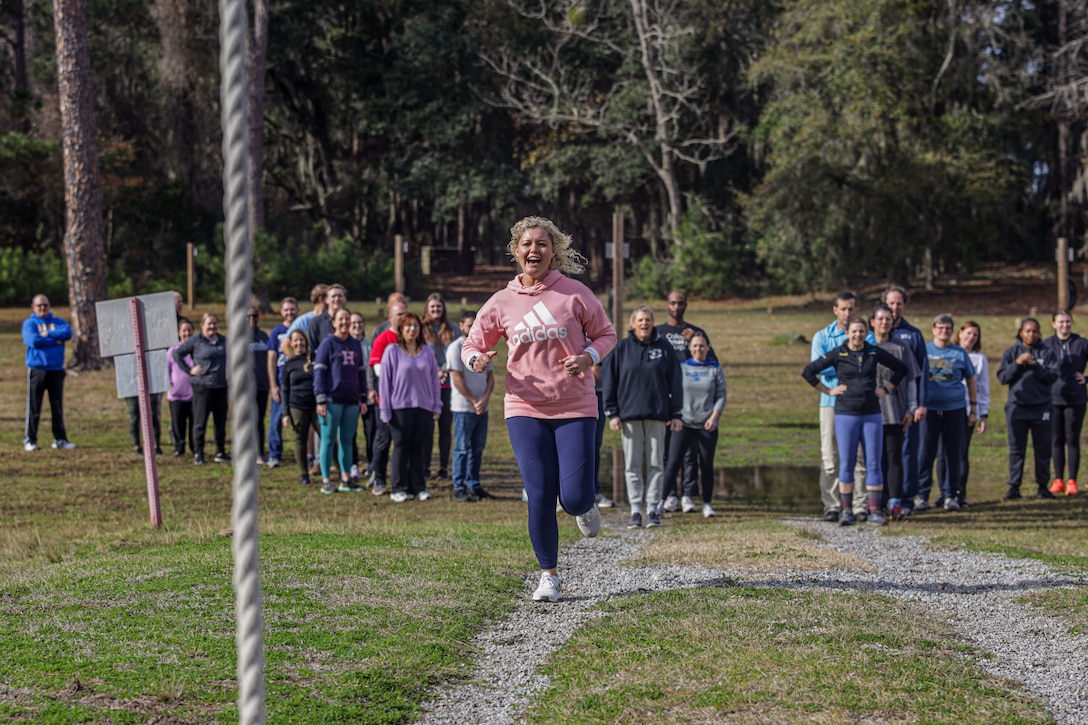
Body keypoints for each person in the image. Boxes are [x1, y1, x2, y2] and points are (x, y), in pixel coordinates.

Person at [462, 216, 616, 603]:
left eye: (543, 244)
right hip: (524, 408)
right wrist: (477, 360)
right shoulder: (501, 301)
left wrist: (587, 357)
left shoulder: (574, 293)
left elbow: (607, 334)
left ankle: (584, 506)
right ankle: (549, 575)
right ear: (516, 251)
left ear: (554, 251)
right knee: (540, 493)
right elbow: (471, 345)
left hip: (575, 406)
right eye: (527, 244)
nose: (535, 250)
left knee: (575, 496)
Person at [803, 318, 909, 526]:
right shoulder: (838, 353)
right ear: (848, 333)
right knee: (847, 463)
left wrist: (886, 388)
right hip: (845, 413)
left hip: (871, 413)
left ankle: (875, 511)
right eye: (854, 331)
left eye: (861, 331)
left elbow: (901, 368)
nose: (857, 335)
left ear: (866, 332)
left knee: (872, 462)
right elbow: (809, 371)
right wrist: (829, 390)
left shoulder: (873, 352)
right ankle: (847, 511)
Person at [602, 305, 682, 530]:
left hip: (658, 416)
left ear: (653, 323)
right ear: (632, 324)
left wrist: (676, 413)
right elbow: (609, 382)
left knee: (656, 463)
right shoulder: (621, 349)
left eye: (648, 319)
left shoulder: (664, 348)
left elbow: (675, 382)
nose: (644, 323)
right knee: (632, 464)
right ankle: (636, 509)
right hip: (628, 416)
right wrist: (612, 413)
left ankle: (653, 509)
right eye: (640, 320)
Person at [656, 289, 717, 513]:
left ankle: (688, 495)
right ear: (666, 305)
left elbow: (712, 362)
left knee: (691, 454)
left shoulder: (695, 332)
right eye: (672, 303)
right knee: (669, 453)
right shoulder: (659, 332)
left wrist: (694, 340)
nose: (676, 307)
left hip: (692, 403)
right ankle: (669, 494)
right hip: (667, 401)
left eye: (680, 303)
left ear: (686, 305)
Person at [809, 292, 865, 521]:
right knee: (830, 455)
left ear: (856, 309)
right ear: (835, 310)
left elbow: (868, 365)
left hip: (859, 404)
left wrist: (838, 364)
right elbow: (818, 368)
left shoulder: (864, 335)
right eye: (843, 309)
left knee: (859, 457)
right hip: (831, 402)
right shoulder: (822, 336)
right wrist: (847, 367)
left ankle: (860, 505)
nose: (847, 313)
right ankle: (832, 506)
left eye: (851, 309)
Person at [660, 332, 726, 518]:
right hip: (684, 424)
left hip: (706, 425)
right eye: (695, 346)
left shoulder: (715, 369)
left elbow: (721, 394)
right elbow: (671, 392)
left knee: (705, 464)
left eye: (702, 346)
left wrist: (714, 417)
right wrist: (674, 416)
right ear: (690, 348)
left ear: (708, 348)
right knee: (672, 463)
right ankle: (662, 501)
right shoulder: (682, 368)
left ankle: (707, 503)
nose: (698, 349)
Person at [916, 314, 977, 511]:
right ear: (934, 329)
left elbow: (971, 379)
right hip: (929, 410)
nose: (944, 332)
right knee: (926, 453)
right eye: (940, 328)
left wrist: (973, 407)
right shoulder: (924, 350)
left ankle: (950, 494)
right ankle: (922, 494)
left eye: (948, 328)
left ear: (952, 331)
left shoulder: (959, 353)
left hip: (954, 409)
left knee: (953, 453)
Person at [380, 312, 443, 502]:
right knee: (401, 447)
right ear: (401, 329)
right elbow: (384, 382)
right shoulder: (392, 351)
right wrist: (385, 409)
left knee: (418, 449)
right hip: (399, 408)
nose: (412, 329)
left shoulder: (427, 352)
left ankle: (418, 487)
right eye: (408, 326)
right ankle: (398, 487)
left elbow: (434, 381)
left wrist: (436, 406)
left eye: (415, 326)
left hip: (423, 407)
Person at [998, 318, 1059, 501]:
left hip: (1042, 407)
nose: (1031, 335)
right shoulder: (1012, 352)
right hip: (1017, 408)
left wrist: (1035, 365)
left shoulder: (1047, 352)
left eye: (1034, 331)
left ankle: (1042, 486)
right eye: (1027, 331)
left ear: (1039, 333)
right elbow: (1002, 377)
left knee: (1043, 448)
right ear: (1021, 333)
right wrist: (1017, 363)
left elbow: (1053, 376)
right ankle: (1014, 486)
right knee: (1017, 449)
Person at [881, 286, 928, 515]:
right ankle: (881, 499)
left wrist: (919, 403)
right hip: (881, 408)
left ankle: (906, 499)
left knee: (907, 452)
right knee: (882, 453)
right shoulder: (873, 335)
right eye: (891, 303)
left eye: (899, 303)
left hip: (906, 406)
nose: (895, 308)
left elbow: (920, 374)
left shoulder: (913, 335)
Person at [870, 303, 919, 520]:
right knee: (874, 459)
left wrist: (911, 408)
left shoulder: (901, 348)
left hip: (895, 411)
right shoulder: (864, 345)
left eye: (888, 319)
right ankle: (874, 504)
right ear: (872, 322)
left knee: (893, 457)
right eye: (880, 319)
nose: (884, 322)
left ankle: (895, 504)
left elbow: (911, 380)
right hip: (869, 413)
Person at [314, 307, 368, 494]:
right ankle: (326, 480)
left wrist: (362, 397)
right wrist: (320, 399)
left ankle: (346, 478)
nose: (345, 323)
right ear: (334, 322)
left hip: (352, 399)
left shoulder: (355, 344)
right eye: (341, 319)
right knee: (328, 440)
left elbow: (361, 373)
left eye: (348, 319)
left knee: (347, 440)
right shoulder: (327, 344)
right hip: (331, 400)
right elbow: (319, 372)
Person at [937, 321, 989, 505]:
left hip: (967, 412)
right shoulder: (950, 354)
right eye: (968, 333)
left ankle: (960, 491)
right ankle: (944, 492)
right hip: (946, 408)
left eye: (975, 335)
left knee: (960, 453)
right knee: (942, 453)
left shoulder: (980, 359)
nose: (971, 337)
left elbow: (983, 388)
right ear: (959, 333)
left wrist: (981, 413)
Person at [447, 310, 495, 502]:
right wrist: (473, 400)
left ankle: (474, 485)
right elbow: (456, 378)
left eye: (475, 324)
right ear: (461, 326)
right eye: (469, 324)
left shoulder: (484, 347)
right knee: (461, 448)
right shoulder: (455, 348)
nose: (472, 328)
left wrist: (484, 399)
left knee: (477, 448)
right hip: (463, 408)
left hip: (482, 407)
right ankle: (459, 487)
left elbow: (491, 378)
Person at [172, 312, 230, 464]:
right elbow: (178, 354)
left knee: (220, 421)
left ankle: (220, 451)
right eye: (209, 324)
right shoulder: (196, 340)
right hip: (202, 386)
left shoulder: (223, 341)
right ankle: (198, 452)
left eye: (214, 324)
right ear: (202, 325)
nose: (212, 327)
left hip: (221, 386)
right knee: (200, 421)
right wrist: (189, 370)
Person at [22, 294, 75, 451]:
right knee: (34, 406)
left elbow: (67, 333)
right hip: (37, 369)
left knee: (57, 406)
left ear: (49, 306)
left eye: (45, 305)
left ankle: (60, 439)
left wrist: (49, 334)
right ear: (33, 307)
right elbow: (34, 341)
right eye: (39, 306)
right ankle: (30, 440)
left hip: (56, 369)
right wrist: (56, 341)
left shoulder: (58, 322)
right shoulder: (30, 323)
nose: (42, 308)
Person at [1044, 309, 1088, 496]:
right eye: (1061, 322)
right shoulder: (1046, 345)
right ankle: (1058, 479)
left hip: (1075, 398)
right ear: (1054, 324)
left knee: (1072, 438)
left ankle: (1072, 480)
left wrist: (1086, 378)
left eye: (1068, 322)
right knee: (1055, 439)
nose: (1065, 325)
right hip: (1052, 398)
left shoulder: (1081, 343)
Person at [367, 301, 409, 495]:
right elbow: (378, 369)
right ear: (390, 317)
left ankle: (404, 480)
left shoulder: (412, 338)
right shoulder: (384, 338)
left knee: (404, 443)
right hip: (388, 400)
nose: (403, 317)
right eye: (399, 314)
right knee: (383, 441)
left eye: (405, 314)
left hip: (409, 401)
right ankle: (379, 479)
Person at [422, 292, 460, 480]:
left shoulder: (452, 329)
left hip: (448, 386)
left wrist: (445, 369)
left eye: (439, 306)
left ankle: (444, 467)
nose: (436, 310)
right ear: (427, 309)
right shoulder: (420, 329)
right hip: (426, 386)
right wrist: (434, 370)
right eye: (432, 307)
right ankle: (425, 466)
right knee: (427, 429)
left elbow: (460, 351)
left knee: (445, 429)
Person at [280, 330, 319, 485]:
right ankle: (304, 473)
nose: (299, 343)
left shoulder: (315, 359)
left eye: (301, 340)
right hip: (297, 406)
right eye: (295, 341)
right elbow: (285, 389)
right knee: (300, 440)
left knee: (327, 437)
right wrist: (285, 413)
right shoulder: (289, 364)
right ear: (291, 343)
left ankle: (338, 469)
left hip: (316, 406)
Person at [266, 296, 299, 468]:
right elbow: (271, 359)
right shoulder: (276, 332)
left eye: (292, 309)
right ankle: (275, 454)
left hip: (299, 385)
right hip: (281, 384)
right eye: (286, 309)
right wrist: (273, 386)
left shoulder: (301, 329)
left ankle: (306, 455)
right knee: (276, 419)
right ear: (281, 312)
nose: (289, 312)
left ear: (297, 310)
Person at [350, 311, 375, 482]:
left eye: (360, 322)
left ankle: (372, 463)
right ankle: (353, 464)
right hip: (350, 394)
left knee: (371, 431)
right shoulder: (346, 345)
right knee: (350, 432)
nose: (357, 325)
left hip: (368, 394)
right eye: (354, 322)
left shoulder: (369, 344)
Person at [168, 318, 196, 458]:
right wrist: (168, 382)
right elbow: (166, 369)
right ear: (179, 333)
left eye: (189, 330)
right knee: (178, 423)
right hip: (176, 395)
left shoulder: (197, 350)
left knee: (194, 423)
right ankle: (179, 447)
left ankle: (195, 447)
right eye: (184, 330)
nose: (187, 333)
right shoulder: (173, 350)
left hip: (195, 394)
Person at [247, 306, 271, 464]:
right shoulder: (239, 337)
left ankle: (260, 453)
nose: (251, 319)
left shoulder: (264, 336)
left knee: (259, 420)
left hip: (262, 384)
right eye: (247, 317)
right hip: (245, 387)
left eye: (254, 316)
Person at [308, 283, 348, 354]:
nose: (337, 299)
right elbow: (311, 349)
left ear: (345, 299)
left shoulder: (351, 321)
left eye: (340, 296)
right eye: (333, 296)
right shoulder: (316, 322)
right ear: (327, 300)